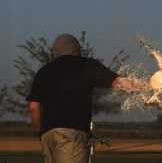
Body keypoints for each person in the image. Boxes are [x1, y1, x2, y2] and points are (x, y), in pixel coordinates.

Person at [27, 33, 148, 163]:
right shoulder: (86, 65)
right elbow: (120, 83)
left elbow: (34, 107)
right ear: (77, 49)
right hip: (72, 135)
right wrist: (150, 85)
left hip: (47, 136)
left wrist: (41, 133)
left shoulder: (43, 72)